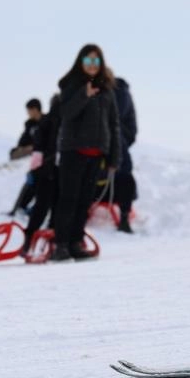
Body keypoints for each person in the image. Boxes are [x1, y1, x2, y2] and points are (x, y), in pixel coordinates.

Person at [51, 44, 121, 261]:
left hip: (96, 153)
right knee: (68, 199)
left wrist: (114, 156)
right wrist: (84, 94)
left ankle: (75, 242)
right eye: (88, 61)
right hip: (73, 151)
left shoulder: (108, 89)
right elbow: (66, 114)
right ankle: (60, 244)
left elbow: (114, 124)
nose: (92, 65)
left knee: (85, 201)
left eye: (96, 61)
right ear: (81, 62)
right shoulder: (71, 85)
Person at [21, 94, 61, 255]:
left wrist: (35, 169)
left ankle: (36, 238)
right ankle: (40, 238)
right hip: (50, 170)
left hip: (50, 170)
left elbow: (37, 149)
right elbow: (38, 149)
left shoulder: (49, 122)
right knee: (49, 206)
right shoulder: (53, 122)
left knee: (46, 206)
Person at [7, 98, 43, 216]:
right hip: (30, 153)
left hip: (42, 156)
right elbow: (22, 141)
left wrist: (32, 147)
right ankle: (21, 207)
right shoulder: (29, 124)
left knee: (36, 181)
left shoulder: (46, 122)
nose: (28, 113)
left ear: (35, 109)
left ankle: (31, 207)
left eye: (29, 111)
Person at [113, 77, 138, 233]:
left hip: (118, 140)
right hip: (113, 139)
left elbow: (116, 117)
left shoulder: (119, 92)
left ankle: (124, 217)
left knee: (123, 174)